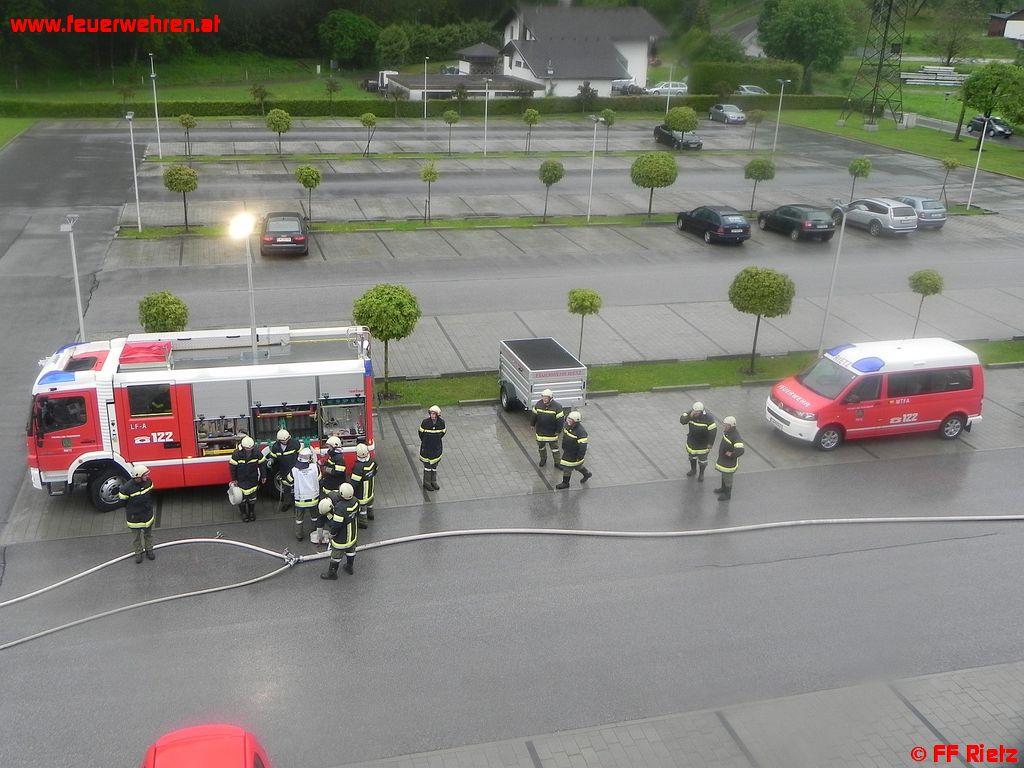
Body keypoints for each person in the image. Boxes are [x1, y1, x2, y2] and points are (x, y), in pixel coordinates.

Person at [118, 464, 155, 563]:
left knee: (148, 535)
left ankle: (149, 550)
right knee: (136, 537)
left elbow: (151, 493)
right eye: (145, 475)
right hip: (134, 518)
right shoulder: (126, 489)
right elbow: (123, 503)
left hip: (147, 515)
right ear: (138, 476)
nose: (147, 476)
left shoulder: (148, 482)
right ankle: (138, 553)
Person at [320, 483, 358, 580]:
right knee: (351, 551)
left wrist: (332, 534)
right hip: (353, 533)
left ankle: (332, 573)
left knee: (336, 555)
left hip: (342, 538)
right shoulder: (355, 501)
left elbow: (336, 525)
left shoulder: (340, 508)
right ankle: (349, 567)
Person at [284, 447, 322, 541]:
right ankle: (314, 532)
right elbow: (319, 478)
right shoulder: (315, 467)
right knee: (314, 517)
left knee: (299, 519)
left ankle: (299, 535)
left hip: (300, 500)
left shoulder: (294, 469)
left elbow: (288, 481)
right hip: (313, 498)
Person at [679, 401, 717, 483]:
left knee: (702, 461)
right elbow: (682, 421)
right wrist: (690, 416)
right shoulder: (690, 413)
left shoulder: (708, 418)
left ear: (701, 411)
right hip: (692, 442)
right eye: (694, 411)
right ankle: (693, 470)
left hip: (703, 444)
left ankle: (701, 474)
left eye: (697, 412)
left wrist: (710, 443)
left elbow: (713, 431)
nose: (695, 414)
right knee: (692, 457)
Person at [229, 435, 263, 522]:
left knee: (252, 498)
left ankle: (251, 512)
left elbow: (262, 464)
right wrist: (234, 479)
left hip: (253, 479)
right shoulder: (236, 454)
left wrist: (264, 476)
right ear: (243, 447)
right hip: (241, 479)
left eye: (251, 448)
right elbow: (232, 467)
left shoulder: (257, 452)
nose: (249, 450)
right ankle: (243, 513)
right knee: (241, 499)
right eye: (248, 448)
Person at [555, 411, 591, 489]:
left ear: (575, 421)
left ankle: (565, 483)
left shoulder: (581, 432)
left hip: (574, 453)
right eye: (568, 418)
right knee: (577, 466)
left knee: (567, 467)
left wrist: (580, 457)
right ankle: (587, 474)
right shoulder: (567, 425)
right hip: (568, 450)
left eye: (571, 420)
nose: (568, 421)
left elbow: (583, 447)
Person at [267, 429, 300, 513]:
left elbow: (301, 454)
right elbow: (273, 456)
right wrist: (271, 461)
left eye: (287, 439)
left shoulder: (295, 444)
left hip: (295, 471)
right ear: (278, 440)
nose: (285, 441)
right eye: (283, 440)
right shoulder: (276, 447)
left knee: (297, 488)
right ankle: (287, 503)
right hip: (284, 471)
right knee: (286, 488)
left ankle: (298, 504)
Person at [531, 388, 564, 467]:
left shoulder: (557, 407)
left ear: (551, 398)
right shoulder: (538, 404)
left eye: (546, 398)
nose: (544, 399)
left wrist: (558, 431)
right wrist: (532, 424)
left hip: (552, 432)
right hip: (540, 432)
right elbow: (534, 415)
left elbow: (560, 421)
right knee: (541, 447)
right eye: (543, 397)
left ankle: (557, 463)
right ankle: (543, 459)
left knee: (555, 449)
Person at [714, 416, 745, 501]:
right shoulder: (728, 432)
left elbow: (741, 450)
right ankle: (723, 489)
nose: (724, 426)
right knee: (724, 475)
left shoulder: (735, 436)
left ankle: (727, 495)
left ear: (731, 426)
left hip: (729, 463)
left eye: (726, 425)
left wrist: (731, 454)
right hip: (725, 460)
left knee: (728, 478)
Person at [418, 405, 446, 491]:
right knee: (427, 467)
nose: (432, 415)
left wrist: (436, 440)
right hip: (426, 448)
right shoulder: (425, 422)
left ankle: (433, 481)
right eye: (431, 413)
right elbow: (420, 433)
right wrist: (426, 441)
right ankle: (427, 483)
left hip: (436, 448)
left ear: (437, 414)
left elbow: (443, 432)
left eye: (434, 414)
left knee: (434, 466)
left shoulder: (441, 423)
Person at [349, 443, 376, 528]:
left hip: (361, 493)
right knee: (370, 504)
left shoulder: (358, 467)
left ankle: (363, 523)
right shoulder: (372, 461)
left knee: (362, 510)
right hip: (370, 490)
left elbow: (354, 482)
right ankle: (371, 515)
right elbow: (375, 471)